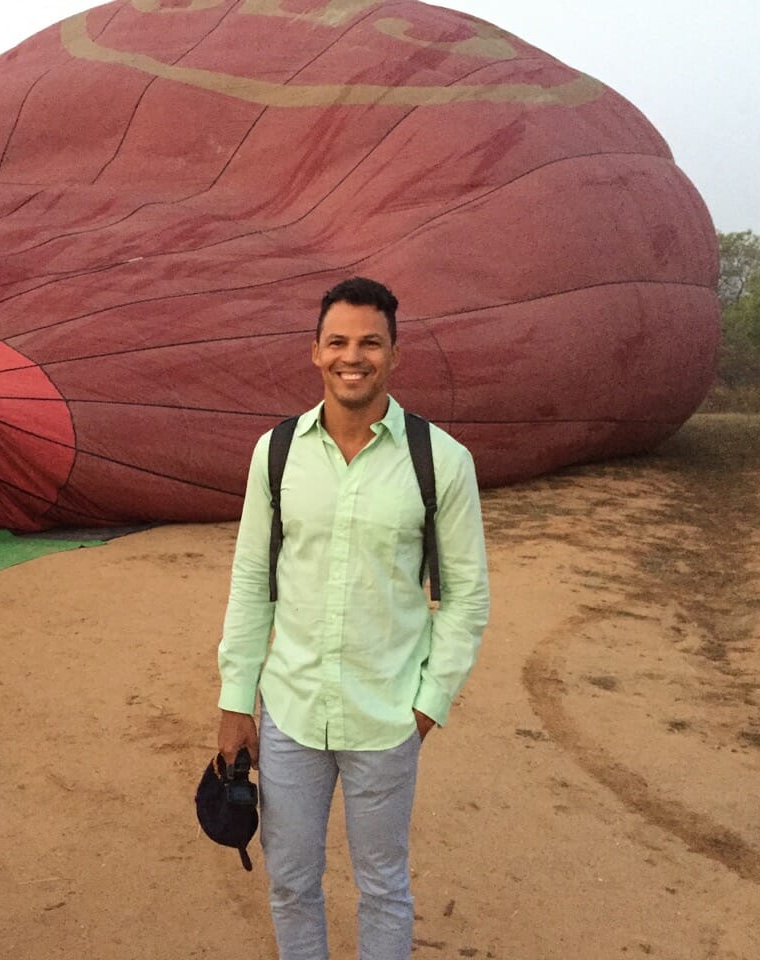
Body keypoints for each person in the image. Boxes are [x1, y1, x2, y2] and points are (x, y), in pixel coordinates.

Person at [215, 277, 490, 960]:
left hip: (386, 717)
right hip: (291, 713)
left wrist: (427, 705)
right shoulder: (275, 454)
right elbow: (253, 580)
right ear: (314, 352)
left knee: (383, 886)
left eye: (370, 342)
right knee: (290, 883)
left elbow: (465, 598)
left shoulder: (442, 462)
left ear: (395, 354)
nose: (353, 356)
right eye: (337, 341)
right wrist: (234, 701)